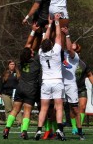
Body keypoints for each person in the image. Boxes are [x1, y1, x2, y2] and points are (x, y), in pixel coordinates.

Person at [34, 13, 66, 141]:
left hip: (45, 82)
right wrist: (57, 22)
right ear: (51, 45)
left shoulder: (41, 52)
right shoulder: (56, 51)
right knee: (59, 106)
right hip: (57, 81)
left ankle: (38, 130)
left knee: (44, 108)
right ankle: (59, 129)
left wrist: (50, 24)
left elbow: (45, 40)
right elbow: (58, 36)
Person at [2, 47, 41, 140]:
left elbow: (26, 51)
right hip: (30, 89)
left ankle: (7, 128)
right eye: (32, 52)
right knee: (27, 111)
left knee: (15, 110)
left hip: (20, 88)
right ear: (31, 55)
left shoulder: (21, 63)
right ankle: (24, 131)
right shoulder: (36, 63)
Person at [60, 27, 85, 140]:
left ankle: (80, 132)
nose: (72, 45)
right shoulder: (62, 53)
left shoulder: (75, 57)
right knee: (57, 108)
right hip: (59, 83)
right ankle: (59, 131)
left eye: (74, 45)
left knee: (75, 109)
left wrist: (67, 35)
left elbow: (69, 48)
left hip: (70, 85)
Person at [0, 60, 22, 126]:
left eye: (13, 64)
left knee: (16, 108)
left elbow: (20, 83)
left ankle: (19, 122)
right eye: (11, 64)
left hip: (15, 94)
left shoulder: (18, 73)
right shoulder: (4, 73)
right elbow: (1, 83)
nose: (12, 65)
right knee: (8, 109)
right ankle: (9, 123)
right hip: (5, 94)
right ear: (8, 65)